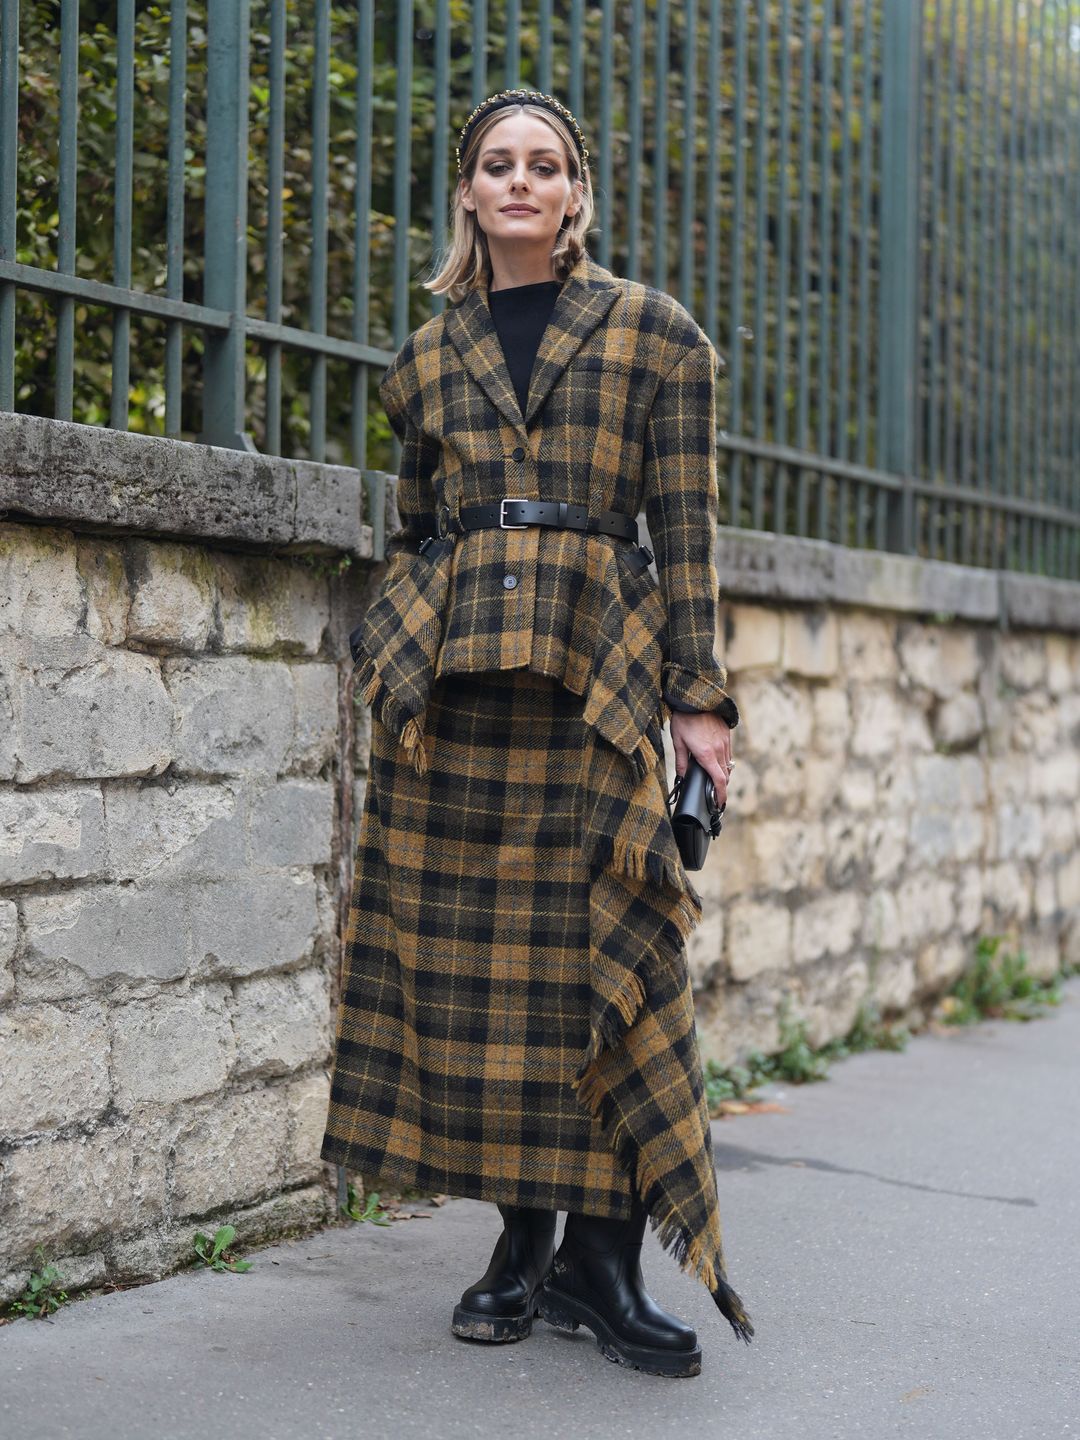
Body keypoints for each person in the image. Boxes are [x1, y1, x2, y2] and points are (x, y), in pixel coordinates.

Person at [320, 88, 753, 1379]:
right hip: (455, 702)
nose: (519, 181)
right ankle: (522, 1247)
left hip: (598, 687)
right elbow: (414, 529)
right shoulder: (426, 358)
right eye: (497, 165)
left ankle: (604, 1266)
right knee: (479, 982)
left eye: (544, 164)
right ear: (468, 194)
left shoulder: (657, 339)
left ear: (575, 195)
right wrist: (400, 636)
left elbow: (686, 535)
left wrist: (701, 700)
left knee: (609, 964)